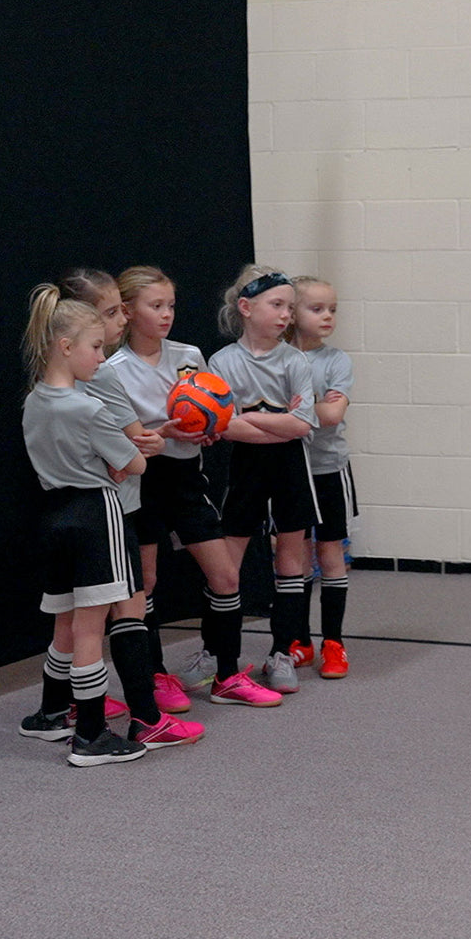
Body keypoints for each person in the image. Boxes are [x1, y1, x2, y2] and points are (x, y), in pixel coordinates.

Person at [17, 284, 203, 766]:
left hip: (54, 514)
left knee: (65, 619)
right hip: (96, 513)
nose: (102, 356)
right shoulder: (88, 408)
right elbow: (135, 467)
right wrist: (122, 461)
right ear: (65, 347)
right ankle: (93, 734)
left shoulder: (34, 400)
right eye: (96, 347)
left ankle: (50, 714)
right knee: (89, 627)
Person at [107, 265, 284, 707]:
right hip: (141, 482)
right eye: (155, 306)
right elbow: (115, 439)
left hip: (186, 478)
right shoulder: (111, 369)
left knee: (225, 575)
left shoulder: (188, 354)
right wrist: (164, 433)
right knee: (144, 583)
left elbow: (211, 409)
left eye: (170, 305)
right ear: (127, 311)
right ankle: (155, 676)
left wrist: (210, 429)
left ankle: (226, 675)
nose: (166, 314)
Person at [208, 267, 318, 695]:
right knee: (227, 568)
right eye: (277, 305)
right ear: (246, 308)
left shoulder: (295, 360)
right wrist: (276, 420)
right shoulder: (223, 362)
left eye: (290, 308)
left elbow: (303, 426)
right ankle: (223, 658)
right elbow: (225, 428)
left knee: (291, 562)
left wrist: (249, 416)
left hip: (290, 469)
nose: (286, 315)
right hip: (246, 470)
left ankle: (281, 653)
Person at [287, 276, 356, 680]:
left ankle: (334, 643)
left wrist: (285, 412)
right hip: (289, 472)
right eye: (317, 309)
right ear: (292, 313)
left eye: (332, 308)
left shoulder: (336, 361)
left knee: (329, 555)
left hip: (328, 469)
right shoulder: (276, 357)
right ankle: (299, 641)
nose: (328, 316)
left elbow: (332, 416)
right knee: (292, 557)